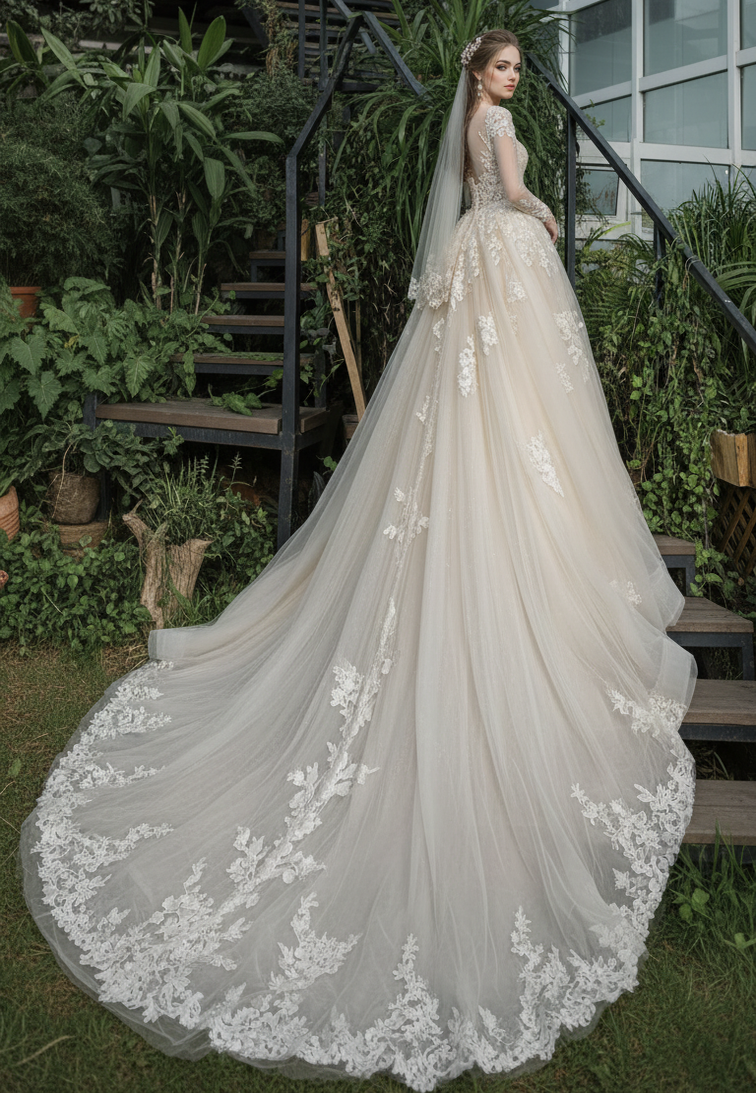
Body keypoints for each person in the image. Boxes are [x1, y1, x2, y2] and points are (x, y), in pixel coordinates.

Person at [20, 29, 696, 1094]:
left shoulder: (466, 126)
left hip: (471, 274)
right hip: (503, 262)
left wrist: (504, 212)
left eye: (518, 68)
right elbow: (511, 193)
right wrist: (542, 212)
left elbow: (473, 196)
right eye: (506, 67)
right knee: (525, 418)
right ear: (484, 76)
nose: (514, 81)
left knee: (481, 422)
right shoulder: (502, 132)